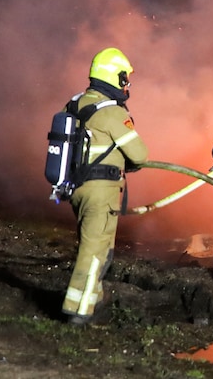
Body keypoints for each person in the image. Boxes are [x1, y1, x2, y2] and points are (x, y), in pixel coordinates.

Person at [61, 47, 149, 325]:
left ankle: (95, 296)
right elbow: (139, 155)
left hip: (76, 186)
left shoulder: (75, 104)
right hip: (101, 189)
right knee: (96, 250)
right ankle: (78, 310)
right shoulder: (111, 113)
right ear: (115, 76)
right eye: (125, 78)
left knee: (94, 244)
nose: (127, 85)